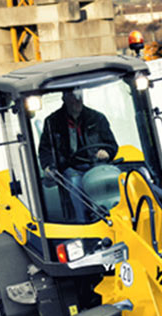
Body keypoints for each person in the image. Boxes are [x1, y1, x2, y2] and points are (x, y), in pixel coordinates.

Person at [38, 89, 118, 222]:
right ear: (64, 98)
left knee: (118, 178)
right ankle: (84, 222)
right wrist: (48, 166)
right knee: (75, 183)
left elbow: (112, 145)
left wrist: (107, 152)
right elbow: (45, 150)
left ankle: (117, 214)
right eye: (72, 96)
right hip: (71, 168)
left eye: (79, 95)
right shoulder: (52, 123)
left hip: (97, 166)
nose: (77, 99)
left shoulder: (97, 118)